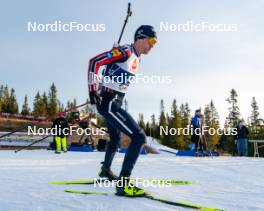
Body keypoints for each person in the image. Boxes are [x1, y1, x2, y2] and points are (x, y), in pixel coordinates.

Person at [87, 25, 157, 196]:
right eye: (152, 40)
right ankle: (123, 184)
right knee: (139, 137)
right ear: (141, 38)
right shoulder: (125, 51)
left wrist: (110, 64)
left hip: (114, 101)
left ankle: (105, 171)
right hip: (110, 103)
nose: (153, 45)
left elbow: (110, 71)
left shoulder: (136, 57)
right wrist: (92, 89)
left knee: (115, 140)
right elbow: (94, 62)